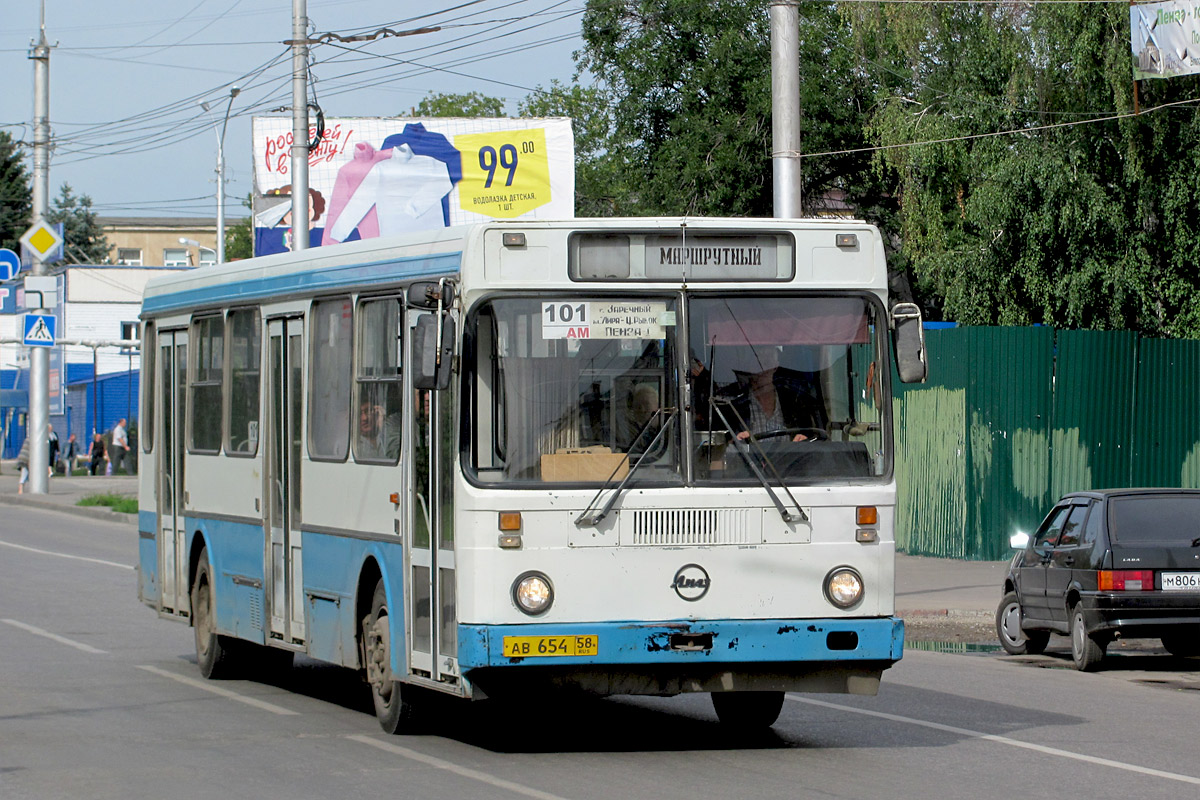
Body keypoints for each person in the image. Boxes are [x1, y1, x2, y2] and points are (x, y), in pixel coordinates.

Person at [732, 347, 821, 443]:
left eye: (767, 359)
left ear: (776, 365)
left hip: (789, 458)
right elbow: (722, 445)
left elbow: (812, 438)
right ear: (748, 365)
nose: (763, 367)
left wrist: (803, 440)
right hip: (747, 458)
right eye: (758, 359)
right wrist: (735, 442)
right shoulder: (734, 404)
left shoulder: (794, 402)